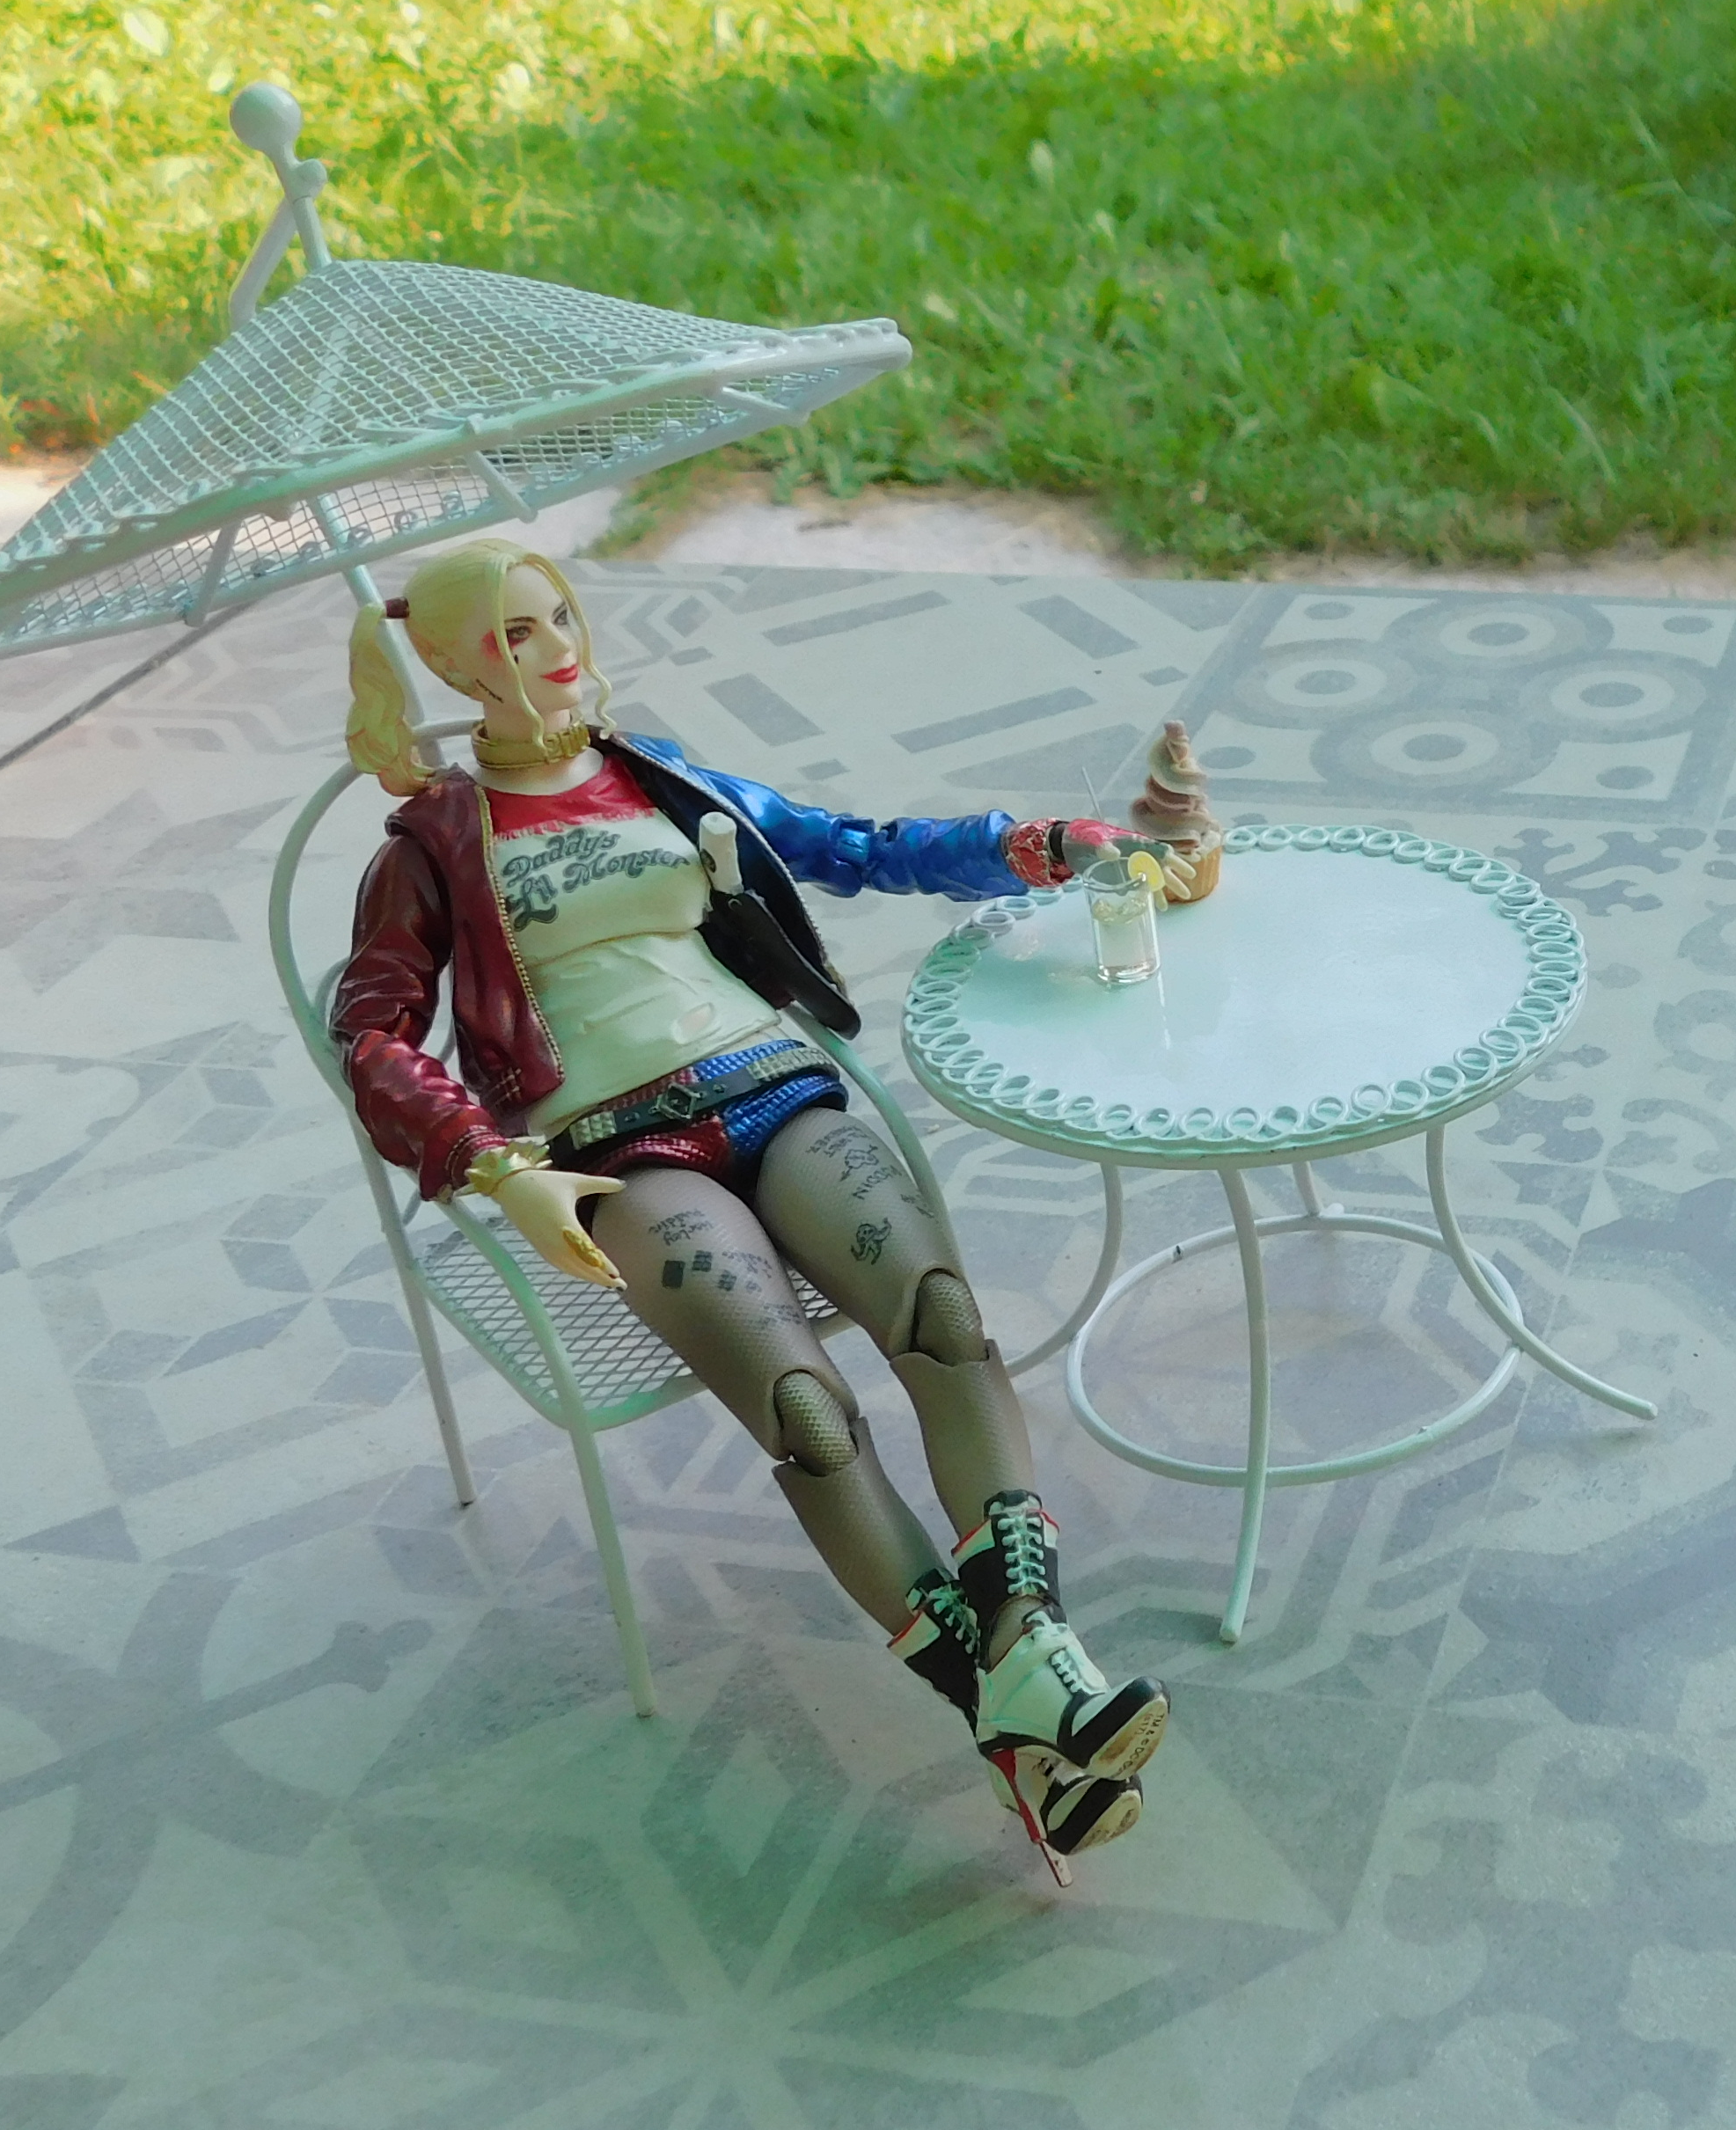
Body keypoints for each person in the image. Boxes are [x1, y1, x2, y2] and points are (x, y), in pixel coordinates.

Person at [324, 537, 1173, 1870]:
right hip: (618, 1151)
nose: (557, 649)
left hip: (773, 1088)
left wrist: (1033, 846)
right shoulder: (432, 843)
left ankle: (1029, 1655)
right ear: (445, 663)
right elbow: (371, 1033)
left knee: (942, 1315)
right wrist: (493, 1163)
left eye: (561, 616)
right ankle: (1014, 1708)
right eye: (513, 635)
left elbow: (851, 846)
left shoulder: (659, 775)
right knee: (805, 1414)